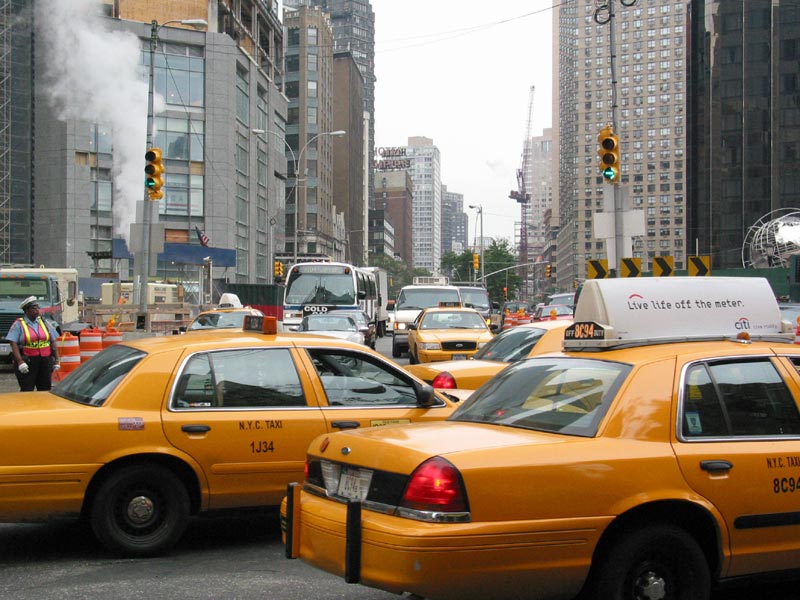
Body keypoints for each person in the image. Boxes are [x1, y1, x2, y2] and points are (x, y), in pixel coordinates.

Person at [8, 295, 60, 391]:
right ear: (27, 310)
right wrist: (20, 361)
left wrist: (57, 360)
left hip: (45, 361)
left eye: (38, 307)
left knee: (45, 388)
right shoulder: (19, 324)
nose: (37, 310)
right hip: (28, 361)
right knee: (27, 388)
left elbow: (53, 341)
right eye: (34, 308)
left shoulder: (44, 322)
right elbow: (13, 343)